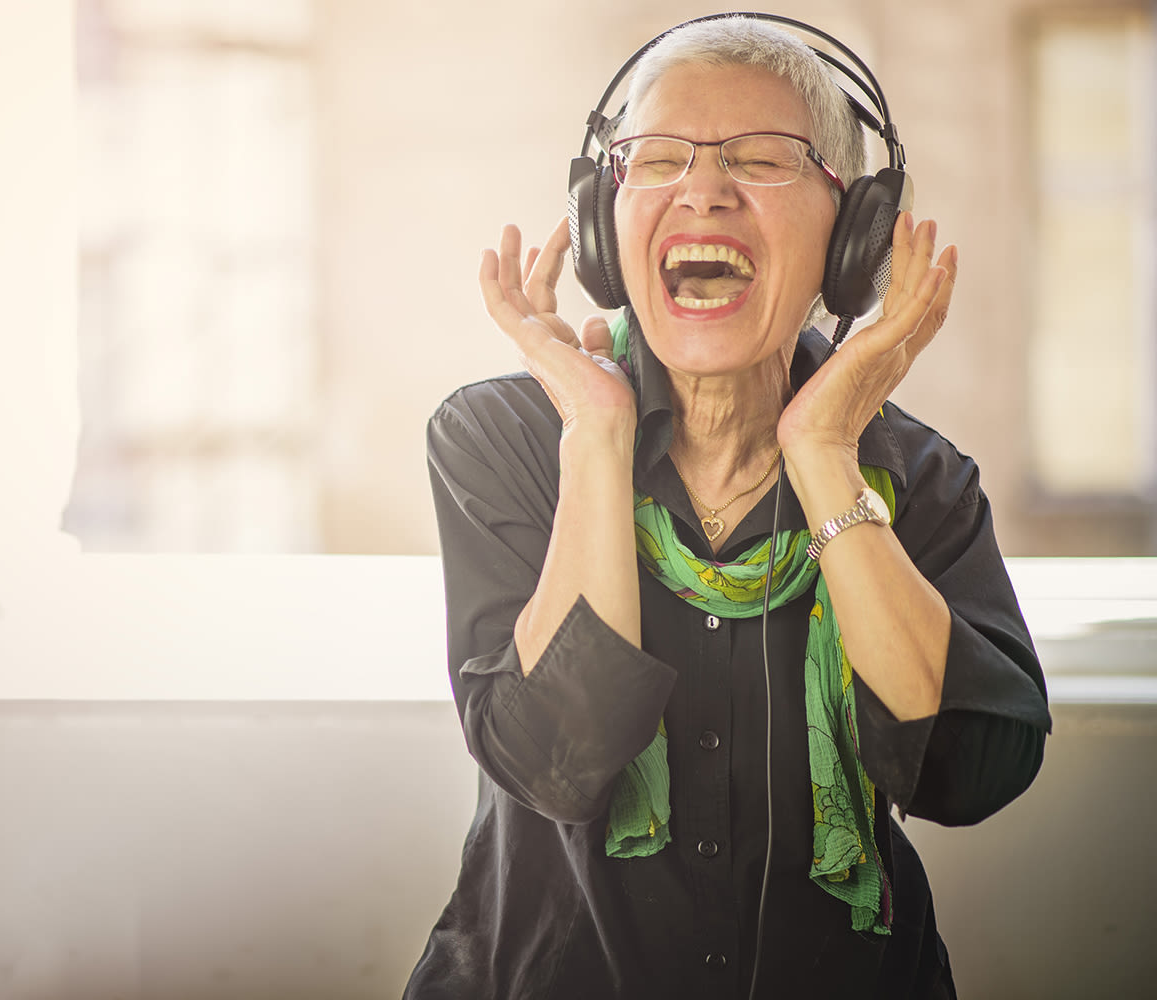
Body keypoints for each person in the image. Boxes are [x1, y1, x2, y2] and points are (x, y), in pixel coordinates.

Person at [404, 15, 1052, 999]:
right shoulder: (505, 441)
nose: (701, 188)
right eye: (655, 158)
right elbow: (552, 764)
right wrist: (595, 435)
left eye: (763, 158)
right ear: (601, 224)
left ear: (852, 235)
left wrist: (824, 453)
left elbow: (969, 772)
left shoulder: (915, 478)